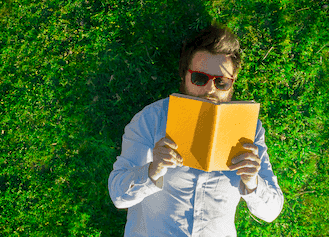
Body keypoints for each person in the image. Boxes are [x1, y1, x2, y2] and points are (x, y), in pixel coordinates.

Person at [108, 24, 284, 236]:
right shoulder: (151, 119)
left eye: (221, 82)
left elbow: (271, 211)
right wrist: (152, 170)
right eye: (199, 79)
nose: (210, 89)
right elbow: (118, 196)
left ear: (232, 84)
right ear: (184, 77)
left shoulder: (249, 128)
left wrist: (252, 181)